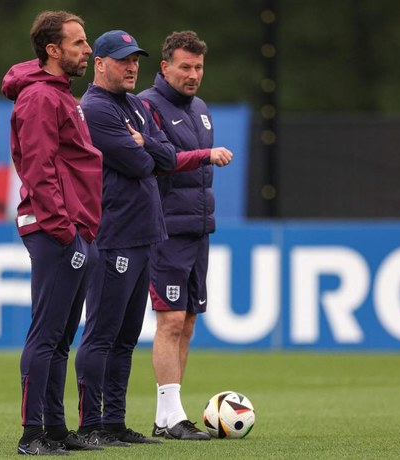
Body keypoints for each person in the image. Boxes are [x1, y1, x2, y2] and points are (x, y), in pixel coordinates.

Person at [74, 29, 231, 448]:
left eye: (134, 60)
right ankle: (92, 424)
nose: (131, 67)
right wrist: (153, 152)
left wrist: (153, 149)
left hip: (152, 230)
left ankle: (115, 422)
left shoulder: (137, 107)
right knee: (108, 333)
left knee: (130, 336)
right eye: (122, 60)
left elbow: (162, 154)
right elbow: (145, 163)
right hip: (119, 232)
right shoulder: (104, 108)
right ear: (100, 64)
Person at [1, 10, 103, 456]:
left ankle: (56, 430)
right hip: (55, 230)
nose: (88, 50)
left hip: (73, 229)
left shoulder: (60, 95)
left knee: (61, 337)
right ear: (53, 50)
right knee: (46, 334)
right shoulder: (41, 98)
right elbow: (37, 169)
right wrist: (64, 231)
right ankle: (31, 434)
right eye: (79, 42)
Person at [138, 30, 233, 440]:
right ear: (165, 67)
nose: (193, 74)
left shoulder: (201, 108)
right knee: (171, 320)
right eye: (185, 67)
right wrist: (205, 155)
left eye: (198, 67)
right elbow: (160, 159)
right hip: (166, 230)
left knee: (188, 322)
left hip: (198, 229)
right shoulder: (147, 105)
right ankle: (172, 417)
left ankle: (167, 418)